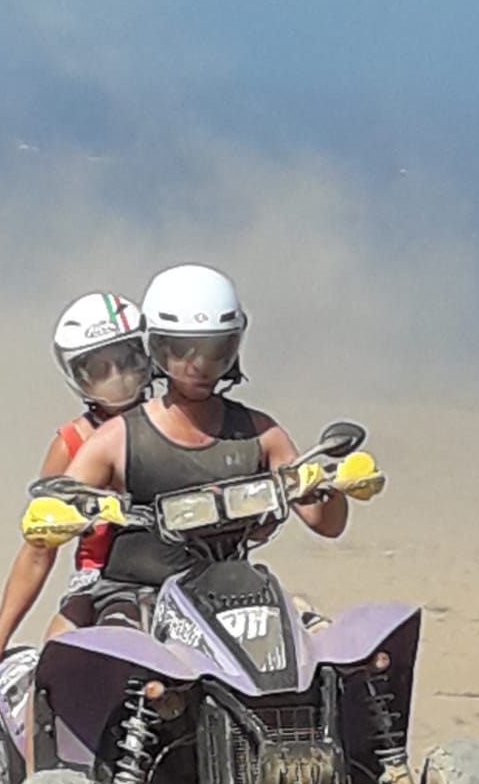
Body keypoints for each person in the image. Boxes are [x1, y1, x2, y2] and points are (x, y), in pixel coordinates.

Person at [56, 264, 348, 624]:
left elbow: (325, 524)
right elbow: (57, 505)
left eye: (215, 349)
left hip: (232, 598)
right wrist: (54, 515)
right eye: (183, 349)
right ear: (157, 348)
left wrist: (331, 486)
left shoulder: (260, 434)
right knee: (97, 661)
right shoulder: (116, 439)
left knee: (323, 649)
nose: (199, 364)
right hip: (135, 599)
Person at [0, 291, 149, 679]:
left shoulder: (179, 422)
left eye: (126, 360)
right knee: (56, 669)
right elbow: (37, 550)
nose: (117, 376)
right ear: (78, 377)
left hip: (191, 567)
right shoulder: (71, 445)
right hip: (101, 581)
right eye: (100, 369)